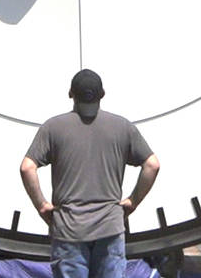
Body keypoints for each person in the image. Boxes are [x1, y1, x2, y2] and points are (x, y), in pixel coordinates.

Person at [20, 69, 160, 278]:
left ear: (70, 93)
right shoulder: (122, 127)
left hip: (69, 230)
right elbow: (152, 165)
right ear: (102, 94)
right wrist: (133, 201)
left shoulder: (53, 127)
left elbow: (27, 167)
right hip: (110, 228)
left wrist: (42, 205)